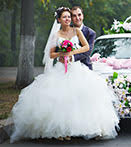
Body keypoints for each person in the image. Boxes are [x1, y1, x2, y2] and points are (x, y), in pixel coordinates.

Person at [10, 7, 119, 143]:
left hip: (77, 68)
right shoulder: (56, 35)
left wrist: (71, 52)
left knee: (79, 98)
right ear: (59, 20)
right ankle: (60, 130)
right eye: (65, 17)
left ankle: (83, 128)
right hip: (61, 69)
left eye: (69, 17)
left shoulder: (77, 31)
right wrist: (62, 53)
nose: (68, 19)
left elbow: (86, 48)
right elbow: (51, 54)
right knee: (61, 98)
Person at [71, 5, 96, 70]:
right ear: (71, 18)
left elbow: (87, 51)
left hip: (84, 67)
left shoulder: (90, 33)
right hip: (68, 67)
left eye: (79, 15)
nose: (77, 18)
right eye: (74, 16)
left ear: (83, 16)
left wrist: (72, 57)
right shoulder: (66, 30)